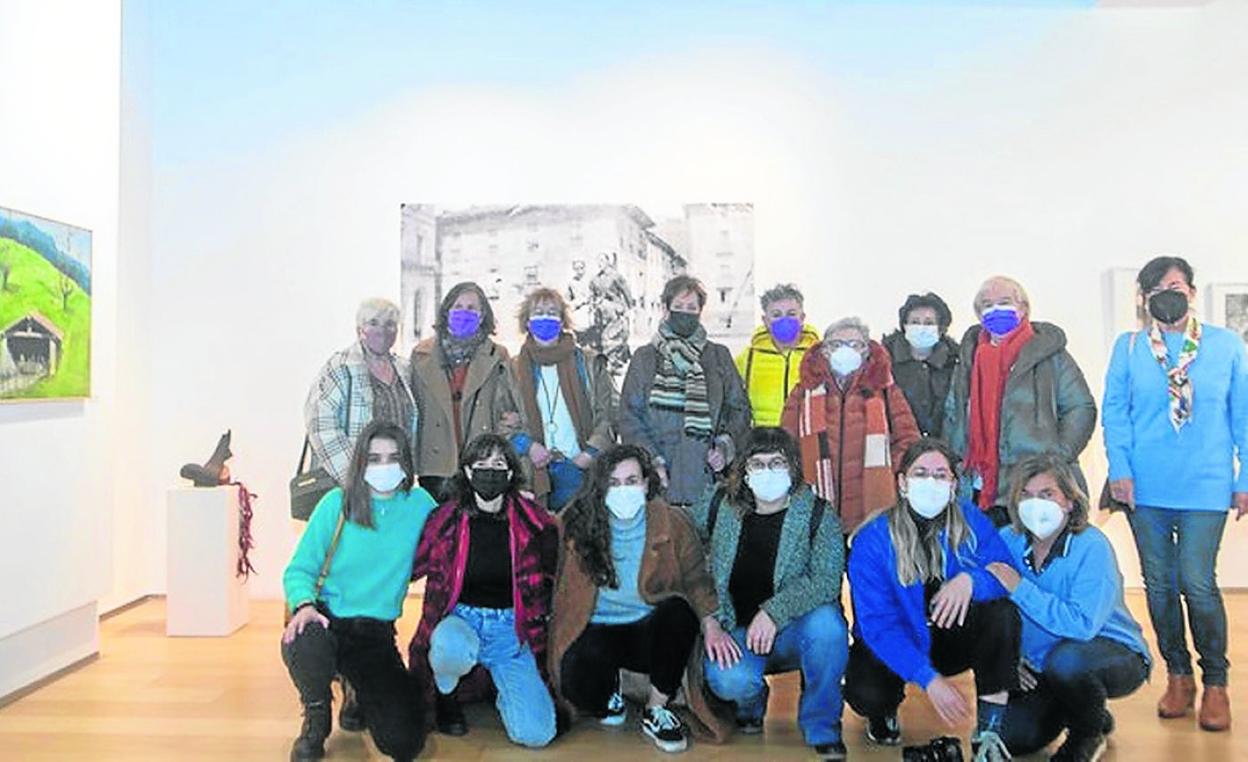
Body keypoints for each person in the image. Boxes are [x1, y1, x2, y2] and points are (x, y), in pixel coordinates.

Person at [1102, 255, 1248, 731]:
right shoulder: (1128, 348)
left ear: (1192, 292)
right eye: (1158, 289)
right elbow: (1115, 413)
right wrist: (1120, 470)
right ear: (1144, 299)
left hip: (1206, 485)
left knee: (1198, 583)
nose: (1169, 295)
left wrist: (1245, 479)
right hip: (1145, 488)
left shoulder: (1225, 346)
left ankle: (1217, 682)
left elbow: (1244, 416)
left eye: (1177, 287)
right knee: (1160, 585)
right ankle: (1179, 675)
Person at [845, 438, 1019, 762]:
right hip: (894, 641)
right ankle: (883, 712)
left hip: (949, 638)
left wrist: (972, 581)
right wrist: (929, 680)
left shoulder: (971, 521)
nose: (931, 482)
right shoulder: (873, 539)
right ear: (902, 483)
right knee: (867, 692)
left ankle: (989, 732)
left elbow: (1008, 574)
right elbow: (878, 625)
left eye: (941, 475)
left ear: (954, 485)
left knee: (1002, 613)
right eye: (920, 473)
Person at [549, 444, 731, 752]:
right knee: (579, 688)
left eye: (631, 481)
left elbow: (697, 580)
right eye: (613, 483)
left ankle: (656, 708)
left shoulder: (673, 522)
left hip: (648, 628)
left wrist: (711, 623)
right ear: (600, 487)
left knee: (679, 612)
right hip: (595, 627)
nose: (623, 490)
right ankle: (612, 690)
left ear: (646, 483)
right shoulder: (575, 521)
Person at [690, 427, 849, 761]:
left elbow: (826, 580)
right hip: (737, 628)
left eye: (777, 463)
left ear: (792, 467)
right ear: (744, 470)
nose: (767, 471)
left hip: (796, 630)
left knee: (829, 626)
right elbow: (686, 549)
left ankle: (822, 725)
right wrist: (710, 621)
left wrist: (774, 612)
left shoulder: (818, 513)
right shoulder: (719, 504)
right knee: (728, 680)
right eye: (757, 464)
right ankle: (751, 703)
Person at [281, 421, 437, 762]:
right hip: (327, 621)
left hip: (374, 635)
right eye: (374, 458)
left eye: (393, 458)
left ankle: (358, 688)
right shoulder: (336, 504)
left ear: (406, 463)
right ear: (360, 463)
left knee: (404, 742)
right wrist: (304, 605)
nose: (384, 467)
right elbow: (299, 569)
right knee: (304, 637)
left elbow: (453, 530)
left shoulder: (420, 505)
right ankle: (316, 716)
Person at [988, 454, 1150, 761]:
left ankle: (1087, 736)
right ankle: (1087, 709)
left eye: (1047, 494)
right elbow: (990, 608)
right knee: (1013, 737)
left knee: (1067, 663)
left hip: (1109, 651)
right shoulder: (1007, 541)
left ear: (1070, 502)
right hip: (1041, 661)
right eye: (1026, 495)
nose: (1035, 504)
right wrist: (1010, 658)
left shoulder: (1092, 546)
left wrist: (1020, 588)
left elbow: (1081, 625)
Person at [406, 433, 559, 748]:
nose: (490, 472)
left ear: (511, 473)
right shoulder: (445, 520)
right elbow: (409, 567)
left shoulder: (534, 521)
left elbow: (555, 572)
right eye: (481, 464)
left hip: (511, 630)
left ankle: (501, 688)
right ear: (466, 471)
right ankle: (446, 694)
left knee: (537, 734)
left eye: (499, 464)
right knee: (448, 646)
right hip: (461, 621)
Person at [943, 276, 1097, 525]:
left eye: (1004, 302)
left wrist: (1056, 458)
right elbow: (954, 414)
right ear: (979, 314)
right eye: (987, 305)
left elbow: (1080, 407)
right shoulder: (969, 358)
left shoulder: (1051, 355)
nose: (995, 309)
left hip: (1037, 488)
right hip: (979, 488)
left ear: (1023, 308)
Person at [618, 275, 751, 506]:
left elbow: (739, 409)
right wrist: (651, 460)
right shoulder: (645, 358)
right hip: (659, 477)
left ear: (700, 311)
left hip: (707, 476)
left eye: (692, 307)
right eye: (679, 306)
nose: (685, 313)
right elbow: (629, 416)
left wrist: (724, 446)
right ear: (666, 308)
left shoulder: (718, 356)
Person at [781, 317, 921, 535]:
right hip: (816, 506)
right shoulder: (803, 392)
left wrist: (889, 473)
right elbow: (786, 443)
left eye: (854, 344)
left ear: (866, 351)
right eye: (836, 344)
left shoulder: (885, 390)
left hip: (870, 507)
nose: (845, 350)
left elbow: (908, 440)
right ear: (824, 351)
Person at [409, 281, 526, 501]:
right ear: (447, 311)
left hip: (482, 462)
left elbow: (508, 407)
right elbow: (412, 407)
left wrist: (507, 425)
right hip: (435, 463)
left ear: (482, 316)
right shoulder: (421, 355)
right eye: (458, 306)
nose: (464, 313)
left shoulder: (498, 355)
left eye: (472, 308)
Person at [511, 287, 617, 511]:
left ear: (562, 321)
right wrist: (528, 446)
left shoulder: (589, 364)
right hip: (533, 474)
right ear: (527, 322)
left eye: (552, 312)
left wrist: (589, 454)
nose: (545, 318)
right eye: (538, 313)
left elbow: (607, 414)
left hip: (581, 469)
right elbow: (502, 419)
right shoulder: (512, 369)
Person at [304, 298, 419, 488]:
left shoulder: (404, 369)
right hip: (348, 482)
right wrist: (354, 476)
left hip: (394, 478)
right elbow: (321, 426)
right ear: (360, 329)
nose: (382, 331)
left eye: (389, 324)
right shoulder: (340, 367)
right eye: (373, 323)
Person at [735, 283, 822, 427]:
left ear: (802, 318)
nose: (784, 320)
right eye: (776, 315)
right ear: (765, 321)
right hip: (763, 437)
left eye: (791, 314)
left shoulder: (818, 357)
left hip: (805, 436)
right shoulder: (748, 358)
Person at [881, 292, 960, 438]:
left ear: (941, 329)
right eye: (915, 322)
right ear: (904, 326)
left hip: (944, 446)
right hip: (898, 444)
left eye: (929, 323)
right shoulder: (885, 362)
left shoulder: (955, 364)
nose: (921, 328)